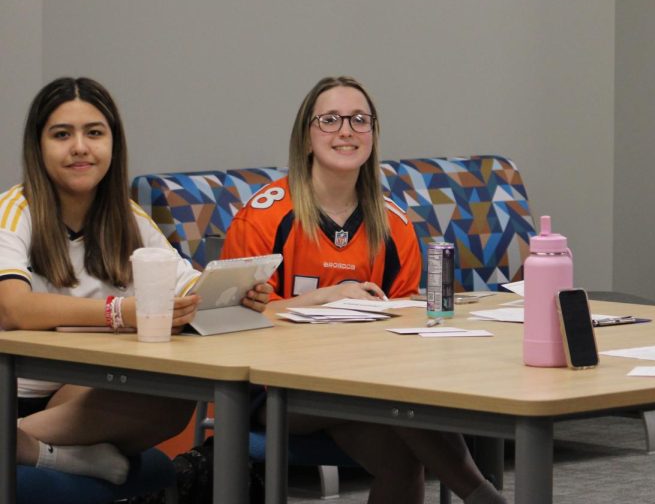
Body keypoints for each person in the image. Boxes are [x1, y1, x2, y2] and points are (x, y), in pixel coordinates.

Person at [223, 75, 505, 504]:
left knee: (403, 457)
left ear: (373, 135)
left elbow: (407, 321)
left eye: (359, 120)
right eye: (330, 120)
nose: (346, 131)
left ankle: (482, 496)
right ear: (305, 137)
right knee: (399, 401)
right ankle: (483, 495)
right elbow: (228, 320)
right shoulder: (263, 217)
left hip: (366, 382)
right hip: (275, 391)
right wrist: (320, 297)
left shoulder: (393, 224)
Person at [0, 77, 202, 484]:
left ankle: (22, 445)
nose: (80, 147)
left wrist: (253, 295)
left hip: (74, 397)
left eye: (94, 133)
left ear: (113, 143)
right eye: (62, 134)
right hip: (11, 393)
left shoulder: (128, 218)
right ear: (38, 146)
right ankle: (50, 456)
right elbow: (13, 307)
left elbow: (189, 288)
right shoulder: (14, 209)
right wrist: (119, 313)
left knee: (174, 395)